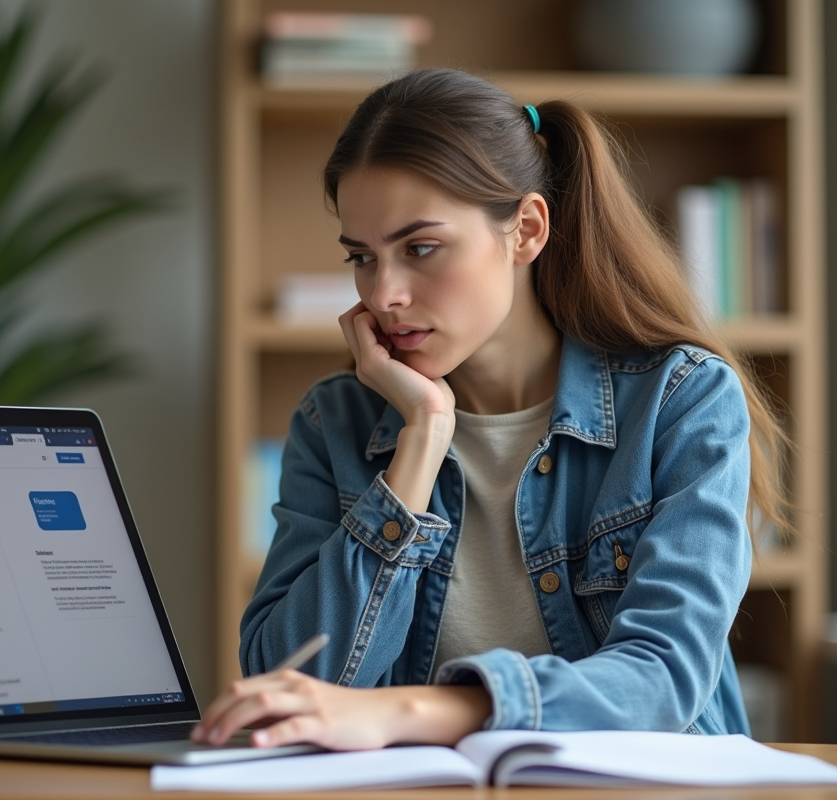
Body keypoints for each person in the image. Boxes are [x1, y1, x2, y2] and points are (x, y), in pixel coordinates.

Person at [192, 68, 788, 752]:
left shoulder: (680, 399)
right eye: (362, 257)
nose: (383, 293)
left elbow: (664, 678)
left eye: (421, 248)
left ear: (526, 230)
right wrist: (418, 446)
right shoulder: (337, 424)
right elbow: (288, 677)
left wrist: (414, 713)